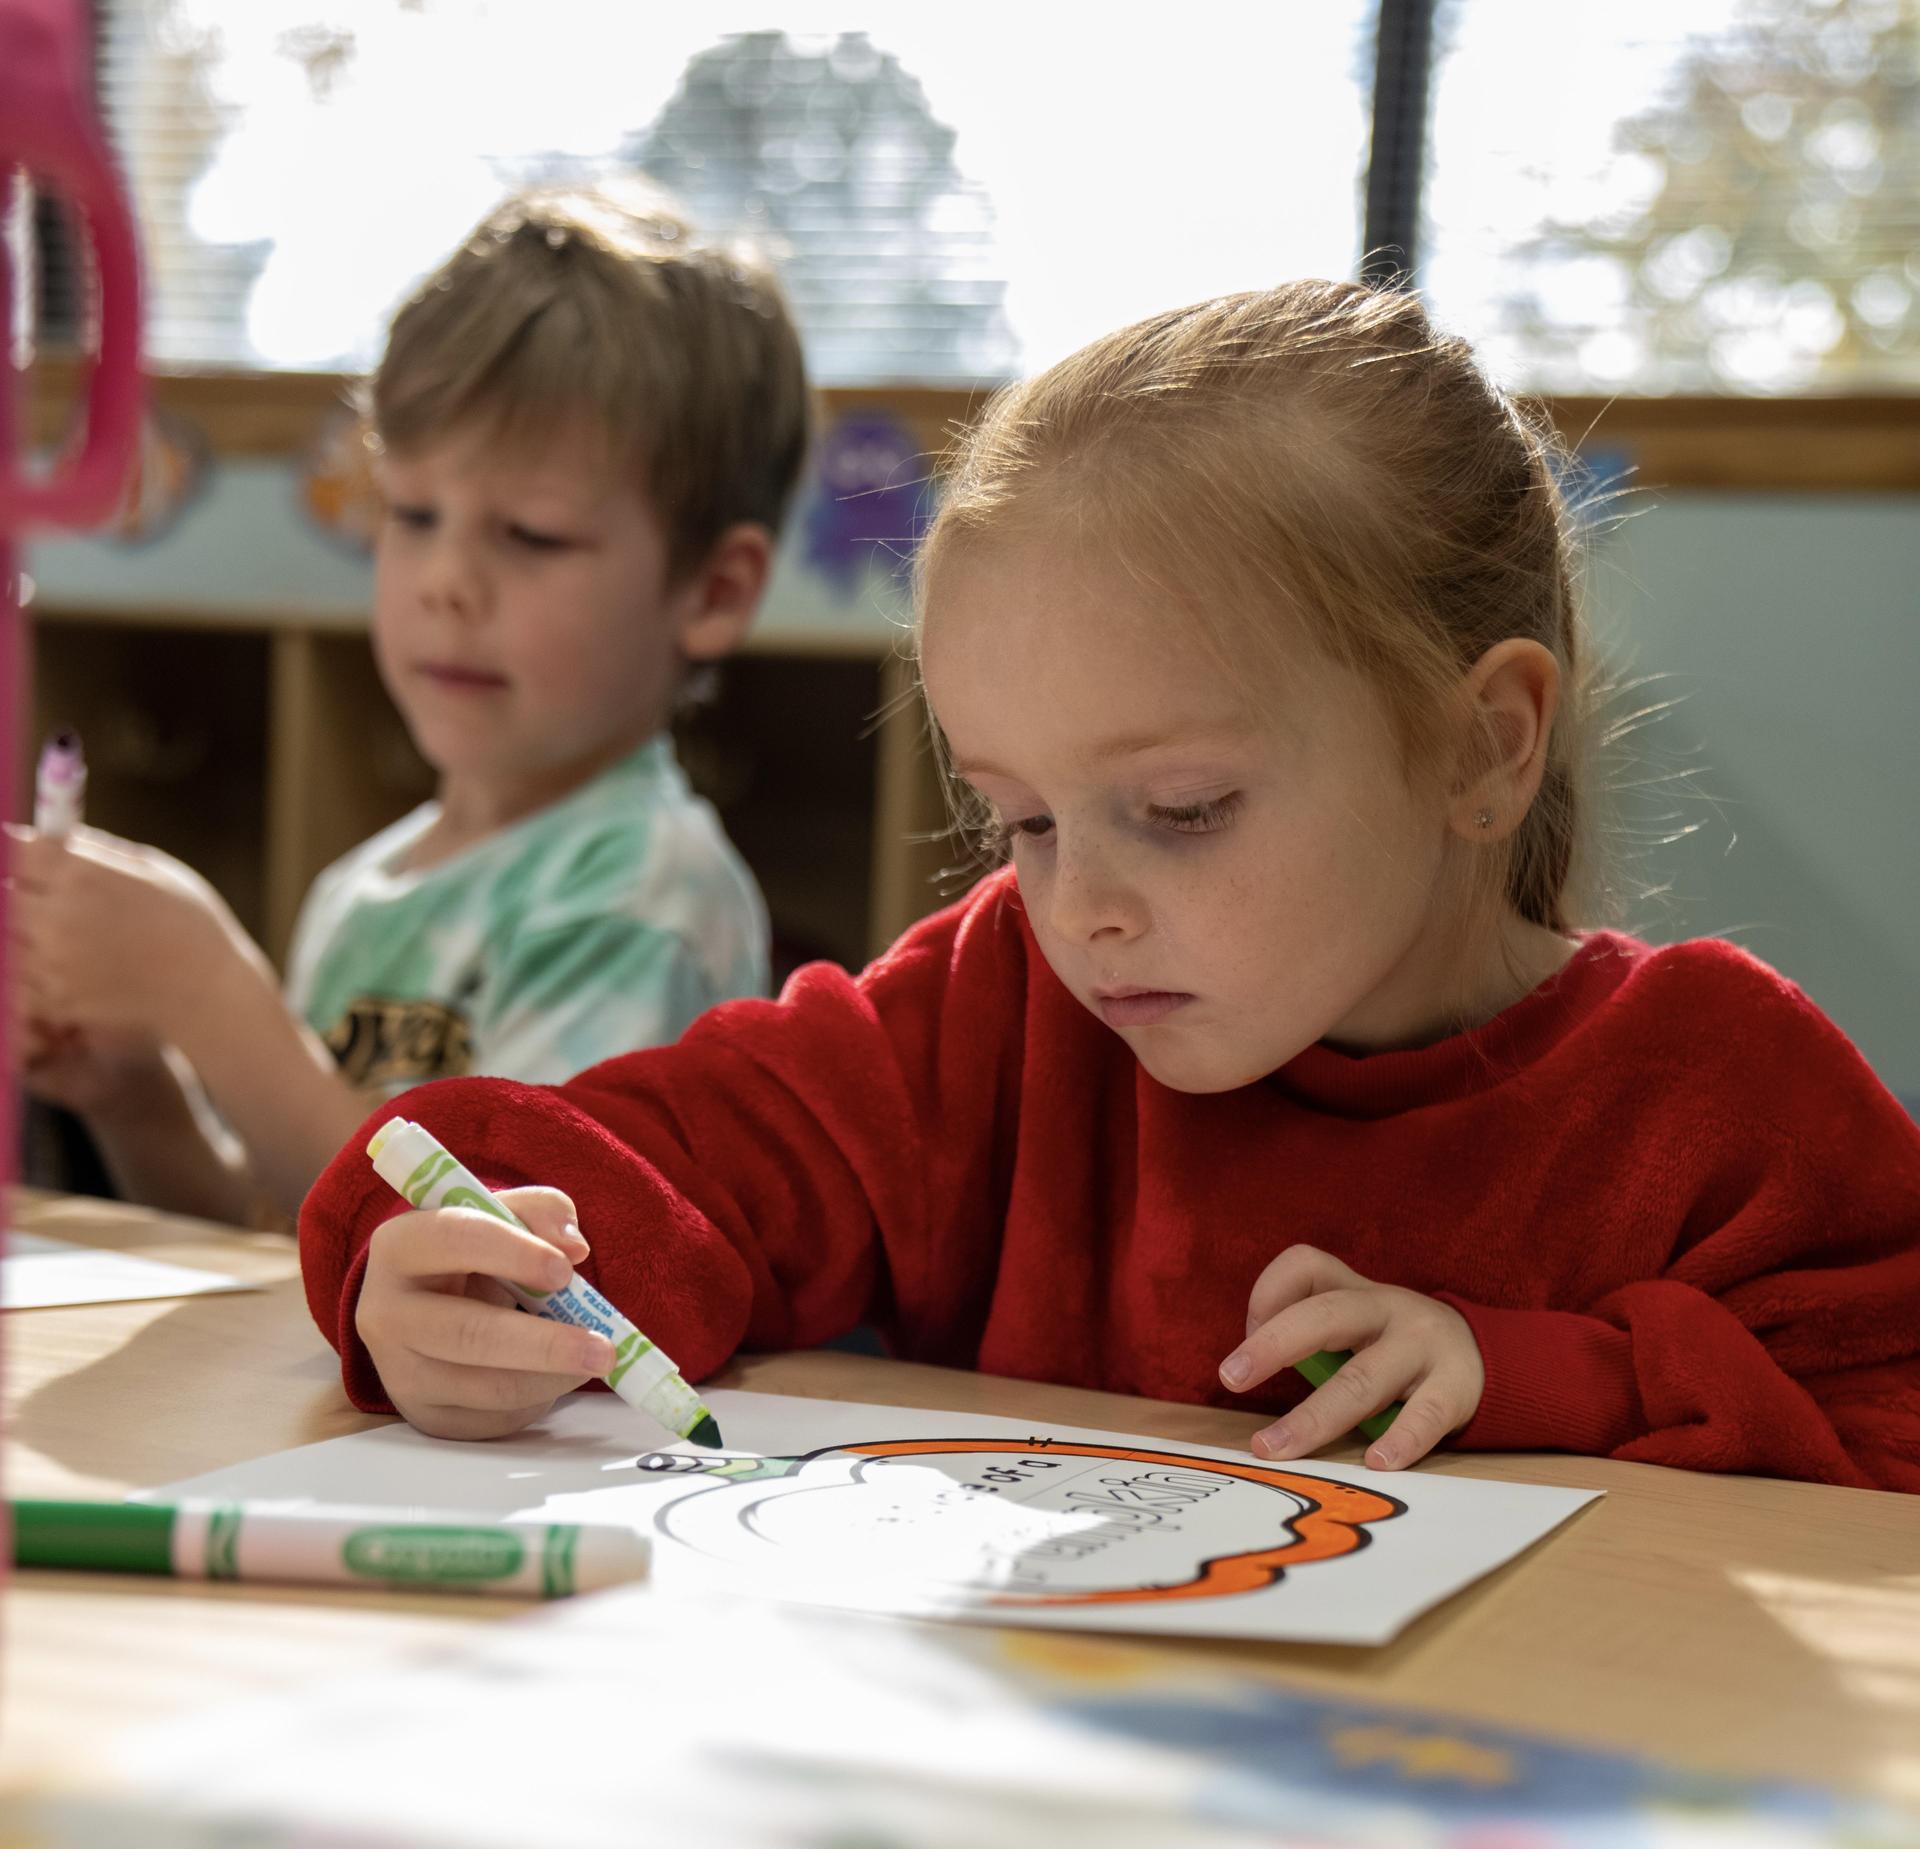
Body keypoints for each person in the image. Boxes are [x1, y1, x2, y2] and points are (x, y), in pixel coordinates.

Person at [297, 281, 1920, 1490]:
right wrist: (448, 1263)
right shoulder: (1003, 1008)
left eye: (1182, 807)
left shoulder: (1719, 1086)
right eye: (1017, 817)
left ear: (1480, 748)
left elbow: (1887, 1429)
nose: (1079, 906)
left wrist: (1546, 1370)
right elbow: (622, 1150)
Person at [11, 179, 810, 1226]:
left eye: (529, 534)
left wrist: (210, 995)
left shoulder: (645, 893)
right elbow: (305, 1244)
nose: (444, 581)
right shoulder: (367, 887)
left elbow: (500, 1266)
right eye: (416, 513)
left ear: (713, 592)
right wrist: (143, 1100)